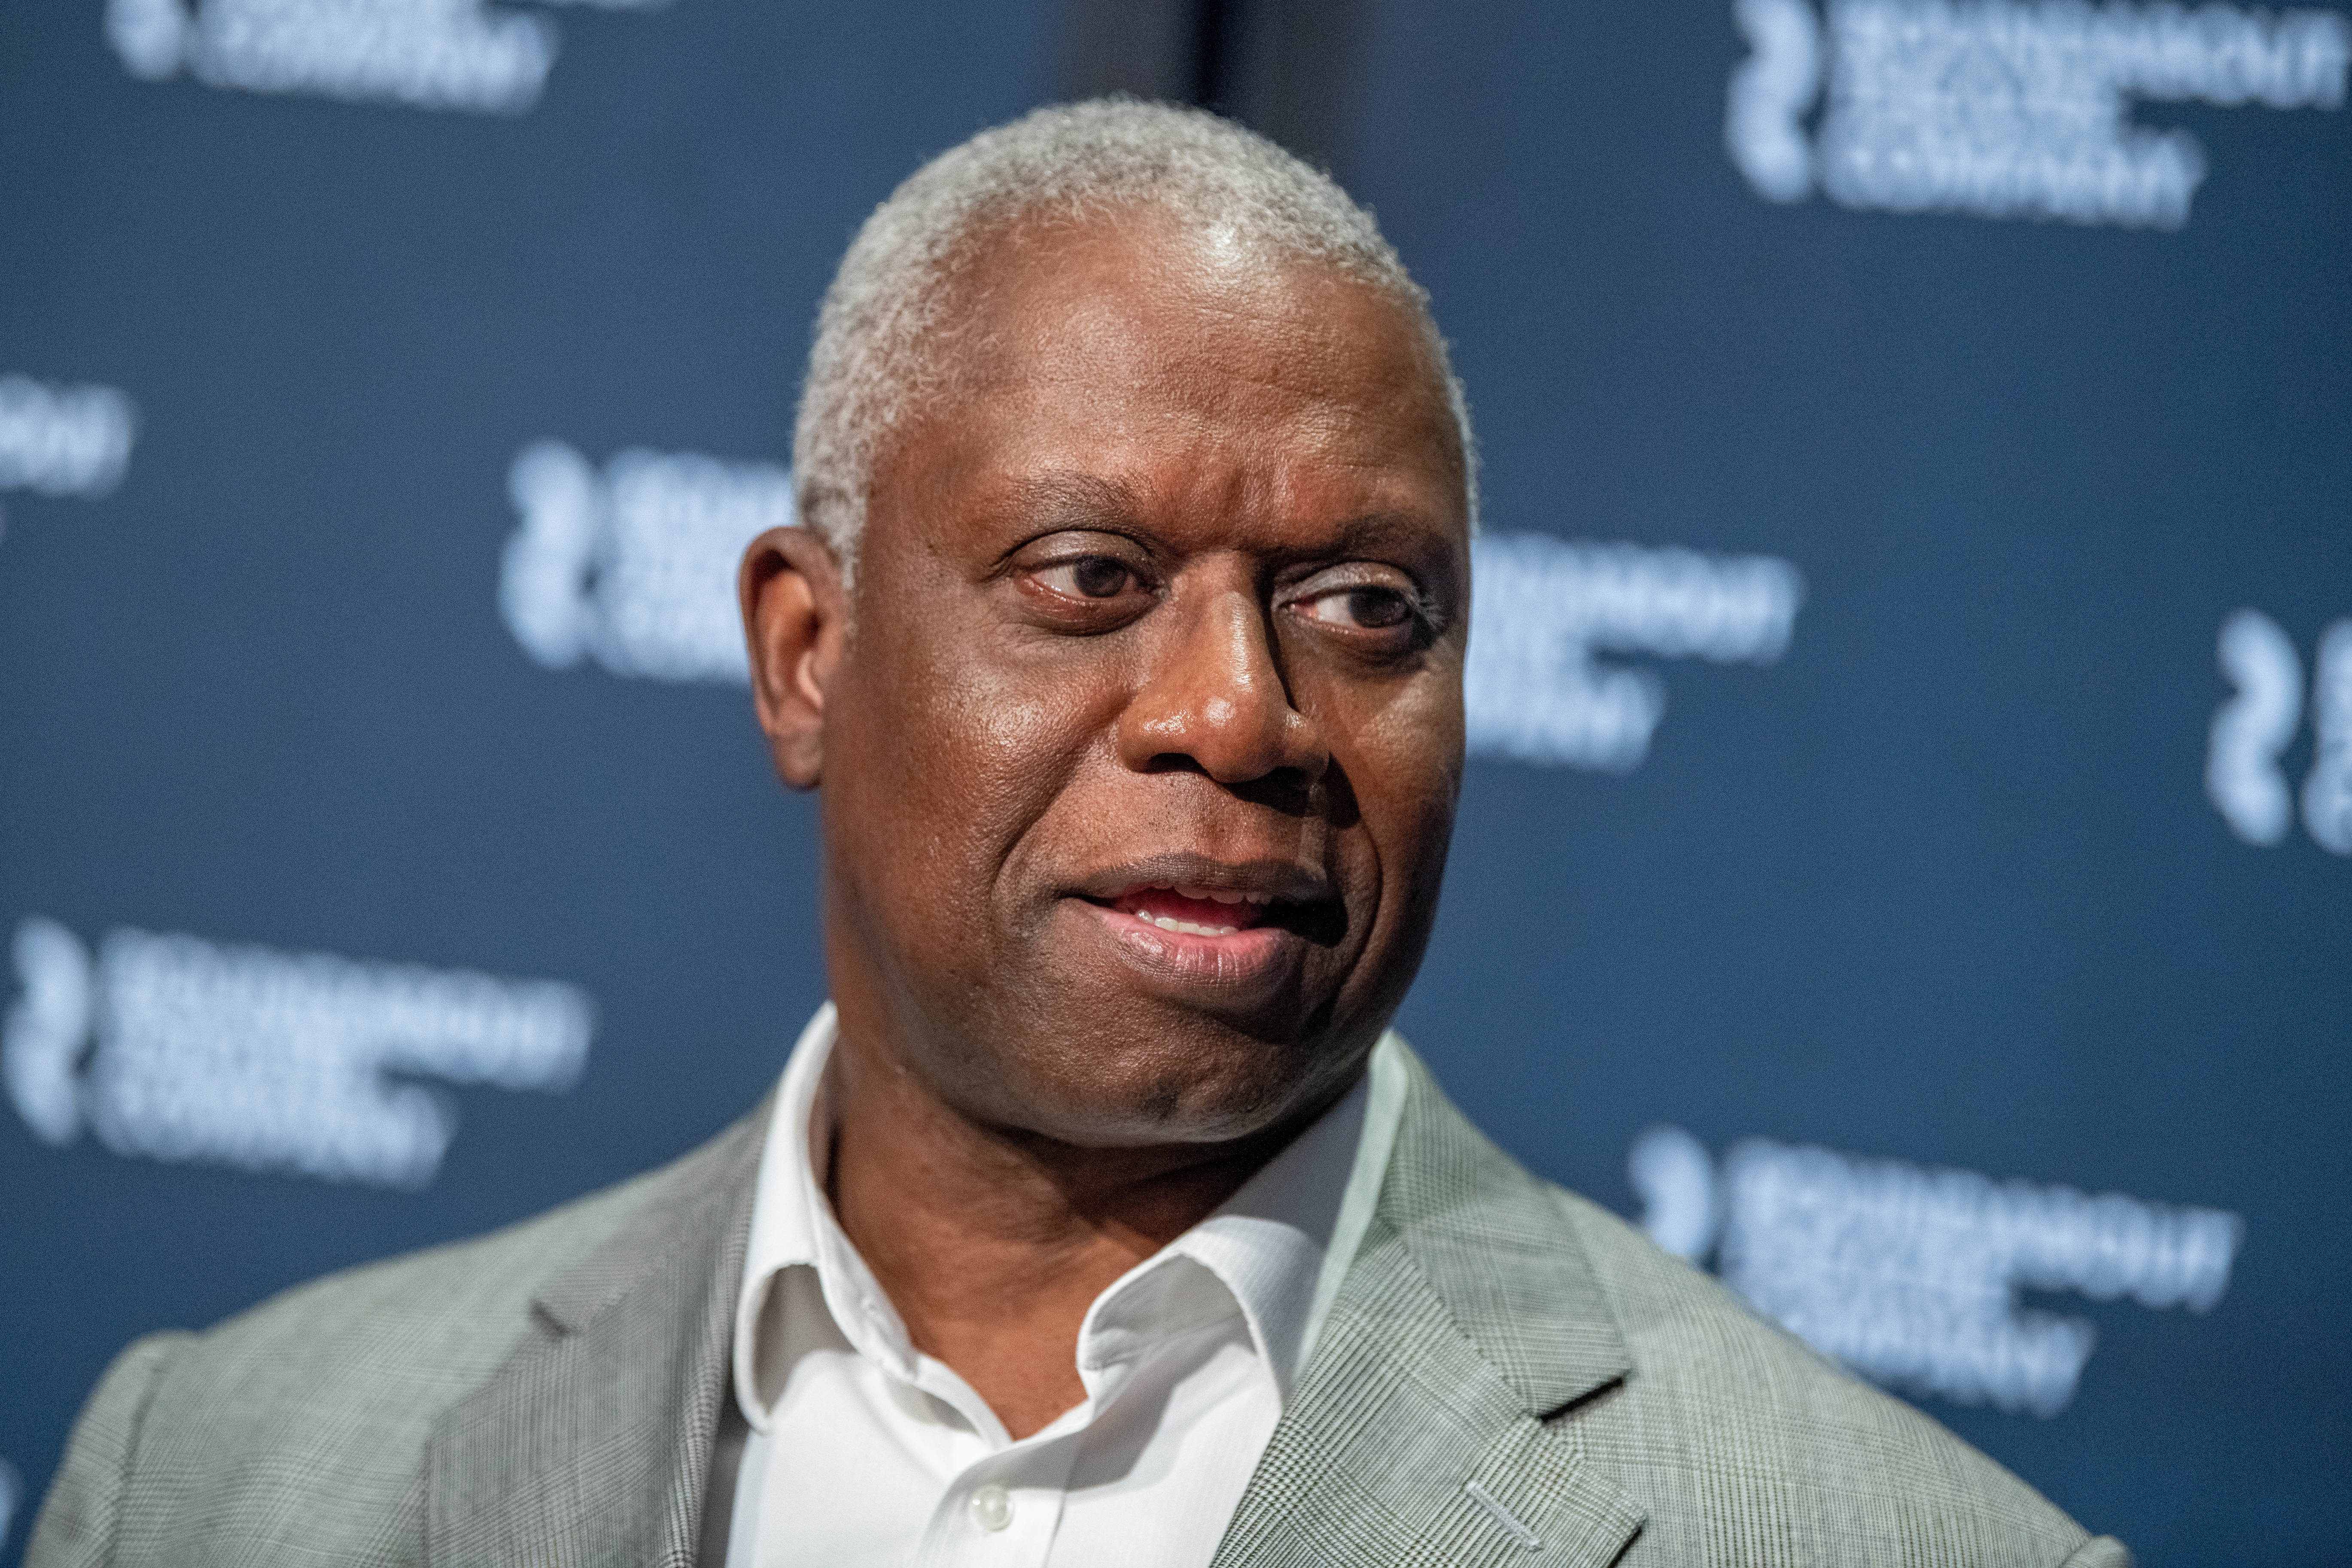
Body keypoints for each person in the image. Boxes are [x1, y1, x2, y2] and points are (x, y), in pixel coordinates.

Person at [29, 100, 2130, 1568]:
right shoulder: (216, 1474)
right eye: (1087, 575)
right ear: (805, 653)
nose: (1239, 711)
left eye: (1367, 608)